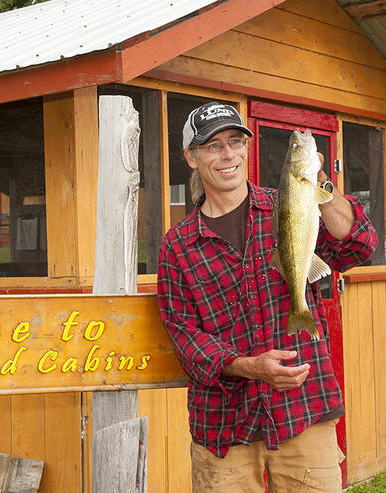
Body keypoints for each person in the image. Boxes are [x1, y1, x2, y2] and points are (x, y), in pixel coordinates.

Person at [157, 101, 378, 492]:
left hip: (303, 410)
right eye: (213, 146)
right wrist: (250, 366)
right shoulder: (177, 246)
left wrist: (319, 184)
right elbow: (186, 337)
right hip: (224, 425)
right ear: (191, 158)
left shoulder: (287, 203)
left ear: (246, 148)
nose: (228, 155)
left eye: (235, 142)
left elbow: (358, 247)